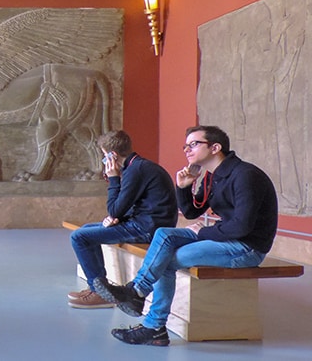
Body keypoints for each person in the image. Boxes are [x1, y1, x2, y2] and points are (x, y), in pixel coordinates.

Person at [94, 125, 279, 347]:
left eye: (194, 144)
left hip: (246, 247)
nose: (187, 150)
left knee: (166, 261)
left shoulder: (245, 176)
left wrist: (203, 231)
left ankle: (152, 323)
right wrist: (183, 187)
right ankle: (138, 294)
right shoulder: (213, 177)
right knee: (164, 234)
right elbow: (192, 212)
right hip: (225, 238)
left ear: (215, 147)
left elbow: (242, 227)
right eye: (186, 146)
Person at [68, 130, 177, 310]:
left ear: (113, 155)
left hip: (146, 228)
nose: (104, 161)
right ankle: (99, 288)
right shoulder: (137, 166)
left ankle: (99, 293)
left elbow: (115, 209)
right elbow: (128, 207)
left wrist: (113, 178)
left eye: (104, 156)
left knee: (79, 237)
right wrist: (117, 219)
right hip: (144, 222)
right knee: (86, 229)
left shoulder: (136, 170)